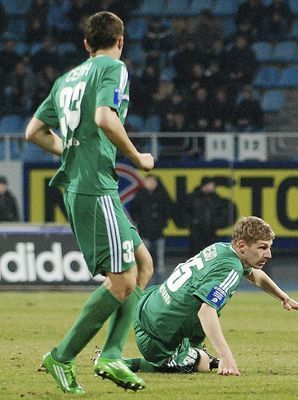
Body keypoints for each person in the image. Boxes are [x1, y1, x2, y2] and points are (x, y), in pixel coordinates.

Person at [25, 11, 155, 394]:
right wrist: (137, 157)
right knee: (123, 281)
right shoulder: (114, 68)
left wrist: (67, 149)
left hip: (85, 185)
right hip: (94, 188)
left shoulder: (66, 79)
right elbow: (104, 118)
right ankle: (62, 356)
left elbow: (33, 131)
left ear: (86, 44)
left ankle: (111, 353)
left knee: (143, 266)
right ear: (121, 41)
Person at [122, 216, 298, 376]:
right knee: (202, 364)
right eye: (262, 247)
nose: (269, 254)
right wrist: (225, 356)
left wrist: (284, 298)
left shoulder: (221, 248)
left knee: (202, 352)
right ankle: (128, 363)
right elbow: (206, 312)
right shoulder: (231, 268)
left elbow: (254, 274)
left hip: (149, 308)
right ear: (242, 245)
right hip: (157, 339)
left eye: (269, 247)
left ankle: (195, 353)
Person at [130, 174, 171, 285]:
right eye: (148, 181)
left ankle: (160, 284)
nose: (151, 184)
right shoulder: (140, 195)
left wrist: (163, 223)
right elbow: (134, 212)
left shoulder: (162, 195)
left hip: (159, 233)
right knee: (144, 260)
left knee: (160, 261)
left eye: (153, 181)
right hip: (144, 233)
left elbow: (168, 210)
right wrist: (140, 224)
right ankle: (144, 282)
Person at [185, 177, 236, 258]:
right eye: (211, 185)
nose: (213, 187)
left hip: (211, 231)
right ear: (205, 185)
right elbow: (186, 212)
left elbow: (221, 212)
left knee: (211, 254)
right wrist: (193, 222)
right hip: (196, 232)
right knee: (195, 254)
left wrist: (216, 223)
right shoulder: (193, 197)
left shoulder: (215, 198)